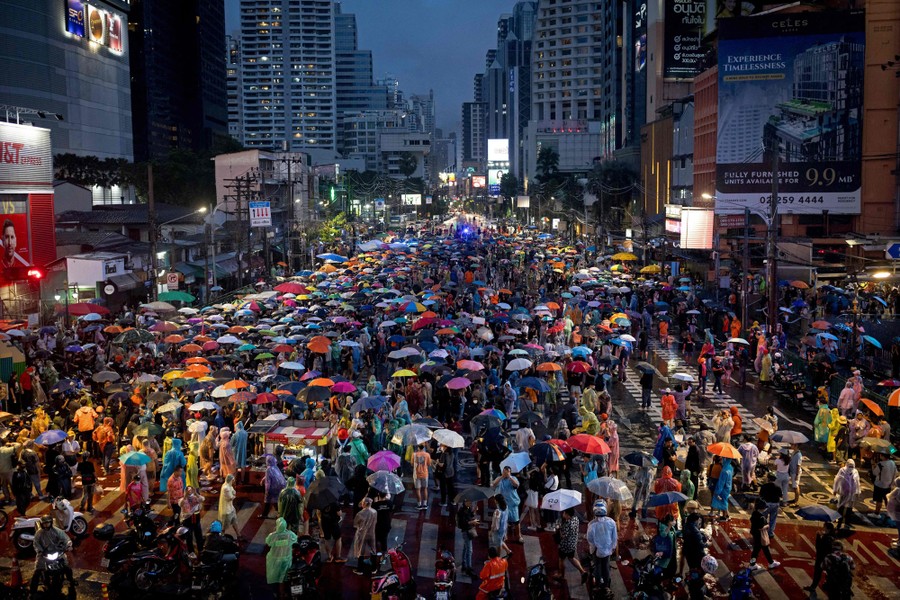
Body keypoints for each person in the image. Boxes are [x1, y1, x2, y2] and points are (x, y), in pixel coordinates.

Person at [31, 514, 75, 593]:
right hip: (44, 554)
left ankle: (71, 581)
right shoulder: (39, 533)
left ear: (51, 523)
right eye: (44, 523)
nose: (46, 525)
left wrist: (68, 545)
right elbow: (36, 543)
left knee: (66, 566)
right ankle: (32, 589)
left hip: (57, 552)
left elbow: (65, 539)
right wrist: (40, 551)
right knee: (38, 569)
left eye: (48, 523)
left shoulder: (57, 531)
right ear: (41, 524)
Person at [586, 500, 618, 591]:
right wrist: (612, 548)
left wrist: (595, 546)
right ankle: (606, 586)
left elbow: (589, 538)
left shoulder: (591, 524)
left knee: (598, 567)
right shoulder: (611, 522)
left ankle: (598, 585)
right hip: (608, 550)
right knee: (606, 567)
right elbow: (614, 537)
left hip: (596, 551)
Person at [265, 517, 297, 599]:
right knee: (283, 578)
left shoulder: (273, 536)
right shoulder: (290, 534)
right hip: (286, 560)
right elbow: (295, 540)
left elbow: (268, 542)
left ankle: (280, 593)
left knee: (277, 577)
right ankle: (282, 593)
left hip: (275, 560)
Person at [556, 507, 588, 583]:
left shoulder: (567, 523)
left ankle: (561, 574)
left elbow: (563, 536)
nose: (563, 514)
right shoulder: (576, 518)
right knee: (571, 558)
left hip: (565, 545)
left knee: (561, 559)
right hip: (573, 543)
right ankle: (582, 571)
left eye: (564, 513)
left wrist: (559, 528)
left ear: (567, 514)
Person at [492, 465, 522, 543]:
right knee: (504, 521)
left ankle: (519, 536)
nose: (505, 473)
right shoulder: (500, 479)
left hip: (512, 503)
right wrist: (502, 476)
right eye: (504, 471)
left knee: (516, 521)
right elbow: (494, 484)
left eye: (507, 472)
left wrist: (510, 477)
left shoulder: (513, 478)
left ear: (510, 472)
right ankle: (505, 535)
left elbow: (516, 485)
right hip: (503, 504)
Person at [806, 521, 837, 594]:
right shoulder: (832, 537)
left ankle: (813, 587)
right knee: (829, 573)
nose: (823, 528)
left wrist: (818, 537)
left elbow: (819, 547)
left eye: (824, 527)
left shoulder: (826, 538)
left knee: (817, 573)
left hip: (821, 558)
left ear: (827, 528)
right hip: (829, 559)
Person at [749, 499, 780, 570]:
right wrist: (767, 526)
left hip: (755, 534)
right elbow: (760, 527)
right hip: (760, 535)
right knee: (763, 549)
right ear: (762, 508)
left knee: (757, 551)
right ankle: (770, 563)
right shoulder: (761, 517)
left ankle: (753, 564)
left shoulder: (754, 513)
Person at [351, 497, 377, 575]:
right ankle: (374, 569)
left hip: (362, 535)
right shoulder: (375, 512)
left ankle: (360, 569)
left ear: (364, 504)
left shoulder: (360, 514)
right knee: (373, 550)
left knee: (360, 551)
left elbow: (355, 525)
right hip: (371, 534)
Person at [833, 459, 860, 528]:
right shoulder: (842, 470)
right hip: (843, 492)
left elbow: (857, 482)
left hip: (852, 493)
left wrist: (858, 491)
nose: (850, 468)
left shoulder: (855, 471)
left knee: (849, 508)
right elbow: (837, 480)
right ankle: (839, 521)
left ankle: (847, 522)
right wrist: (835, 489)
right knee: (841, 507)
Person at [457, 497, 479, 576]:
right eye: (469, 501)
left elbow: (471, 515)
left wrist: (475, 511)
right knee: (469, 550)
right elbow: (464, 523)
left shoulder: (468, 508)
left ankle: (464, 563)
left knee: (466, 548)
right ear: (465, 502)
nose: (470, 503)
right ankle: (468, 568)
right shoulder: (461, 511)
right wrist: (472, 522)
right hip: (466, 531)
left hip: (469, 530)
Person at [180, 485, 205, 554]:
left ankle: (200, 549)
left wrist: (196, 493)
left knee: (198, 534)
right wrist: (185, 496)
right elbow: (180, 504)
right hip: (187, 520)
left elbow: (202, 499)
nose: (189, 491)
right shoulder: (183, 499)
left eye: (191, 490)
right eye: (188, 490)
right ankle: (191, 552)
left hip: (196, 517)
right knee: (189, 536)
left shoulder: (196, 498)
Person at [758, 472, 783, 538]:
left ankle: (763, 531)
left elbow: (760, 495)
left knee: (763, 518)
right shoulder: (778, 487)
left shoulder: (764, 486)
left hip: (766, 504)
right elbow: (781, 495)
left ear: (768, 478)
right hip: (775, 504)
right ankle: (770, 533)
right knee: (773, 519)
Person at [218, 474, 241, 539]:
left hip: (231, 508)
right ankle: (221, 537)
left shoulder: (230, 486)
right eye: (233, 480)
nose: (234, 481)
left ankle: (239, 535)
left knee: (235, 522)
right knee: (224, 526)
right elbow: (230, 497)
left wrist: (233, 494)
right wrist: (234, 496)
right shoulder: (226, 488)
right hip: (226, 510)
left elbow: (234, 492)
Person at [413, 443, 432, 510]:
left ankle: (419, 505)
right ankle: (425, 504)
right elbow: (429, 464)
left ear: (418, 447)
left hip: (417, 474)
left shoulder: (414, 455)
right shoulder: (427, 455)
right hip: (425, 474)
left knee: (418, 490)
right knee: (425, 489)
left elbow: (412, 464)